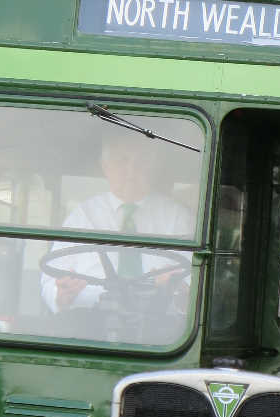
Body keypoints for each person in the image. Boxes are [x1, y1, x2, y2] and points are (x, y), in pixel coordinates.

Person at [39, 132, 192, 314]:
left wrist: (179, 289)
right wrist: (62, 294)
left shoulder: (178, 218)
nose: (131, 170)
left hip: (161, 330)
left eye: (141, 161)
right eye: (122, 160)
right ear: (105, 167)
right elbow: (50, 283)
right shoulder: (81, 216)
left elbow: (195, 290)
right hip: (88, 326)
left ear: (153, 168)